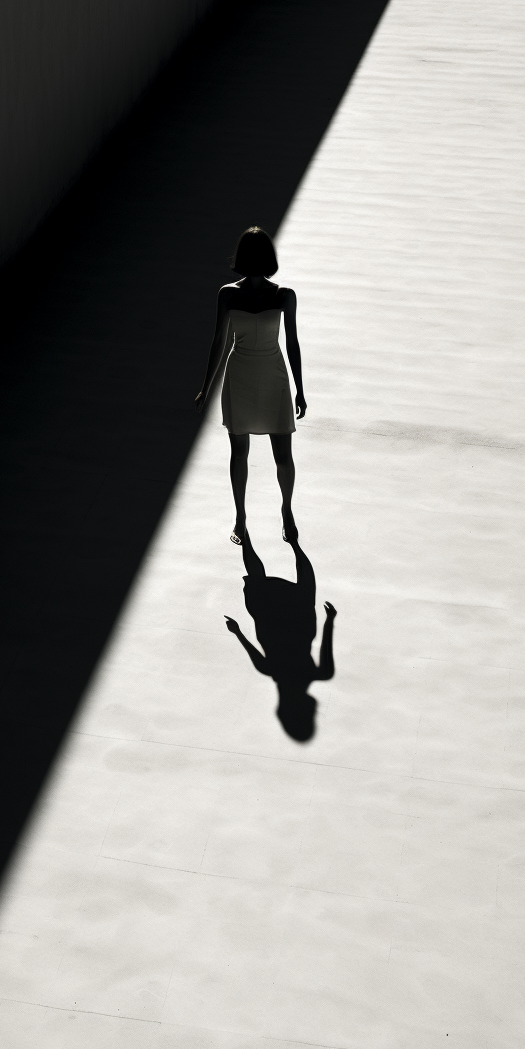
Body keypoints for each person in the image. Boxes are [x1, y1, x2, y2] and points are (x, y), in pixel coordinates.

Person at [194, 226, 305, 545]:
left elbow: (293, 343)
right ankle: (241, 517)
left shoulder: (284, 295)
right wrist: (206, 386)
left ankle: (286, 510)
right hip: (241, 378)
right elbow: (218, 342)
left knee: (281, 455)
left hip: (272, 379)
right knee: (241, 452)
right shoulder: (228, 294)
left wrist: (299, 388)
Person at [224, 532, 335, 742]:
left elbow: (326, 645)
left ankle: (291, 542)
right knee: (260, 579)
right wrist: (237, 631)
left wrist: (330, 620)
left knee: (303, 585)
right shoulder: (268, 669)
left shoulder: (321, 673)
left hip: (297, 624)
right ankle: (247, 536)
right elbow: (249, 647)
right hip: (273, 622)